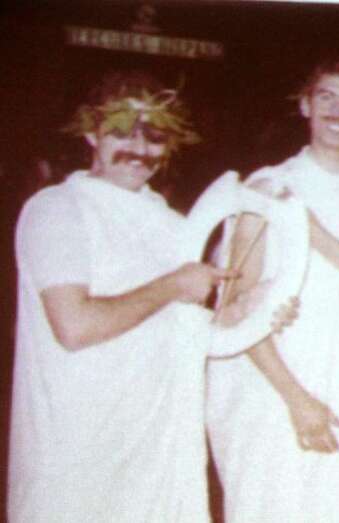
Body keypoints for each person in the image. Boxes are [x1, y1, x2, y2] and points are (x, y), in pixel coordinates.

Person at [10, 71, 231, 522]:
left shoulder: (175, 226)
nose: (139, 147)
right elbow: (75, 327)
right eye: (121, 131)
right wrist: (173, 285)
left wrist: (260, 310)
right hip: (76, 462)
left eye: (154, 136)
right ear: (92, 133)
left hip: (157, 461)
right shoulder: (58, 209)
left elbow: (192, 331)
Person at [206, 58, 339, 522]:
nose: (338, 110)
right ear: (305, 106)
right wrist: (296, 399)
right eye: (326, 96)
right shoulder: (268, 188)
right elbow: (235, 308)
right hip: (277, 398)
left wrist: (318, 238)